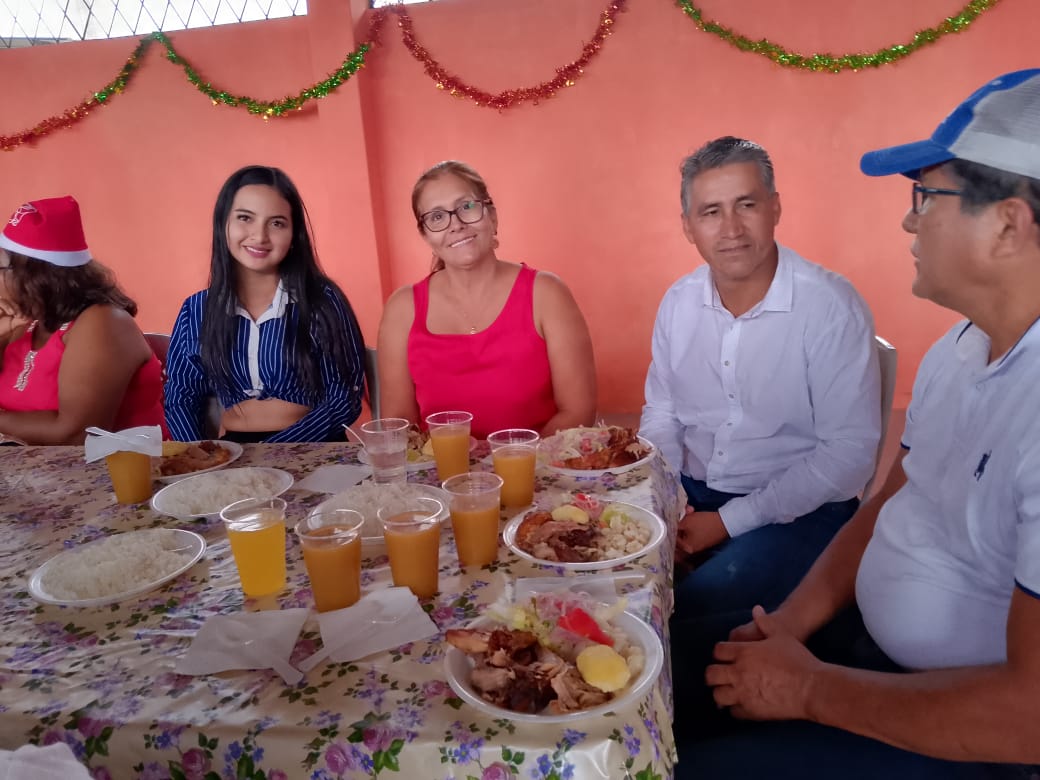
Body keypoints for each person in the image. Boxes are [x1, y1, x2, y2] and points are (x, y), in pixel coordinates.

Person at [677, 69, 1040, 779]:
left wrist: (808, 690)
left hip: (968, 733)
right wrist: (788, 628)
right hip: (861, 647)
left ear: (1008, 224)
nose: (910, 221)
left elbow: (1029, 718)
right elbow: (886, 505)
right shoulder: (959, 349)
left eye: (926, 196)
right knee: (642, 676)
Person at [640, 136, 881, 624]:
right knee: (608, 574)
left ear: (775, 208)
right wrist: (670, 504)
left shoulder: (829, 306)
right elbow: (662, 414)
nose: (731, 229)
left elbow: (848, 455)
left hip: (802, 509)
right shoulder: (679, 302)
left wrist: (726, 523)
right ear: (688, 226)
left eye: (746, 205)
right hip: (693, 497)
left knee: (684, 611)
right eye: (711, 212)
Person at [376, 160, 596, 440]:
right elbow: (398, 425)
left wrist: (509, 457)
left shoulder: (547, 293)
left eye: (467, 206)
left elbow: (578, 412)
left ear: (492, 216)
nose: (456, 225)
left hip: (538, 464)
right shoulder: (402, 309)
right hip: (438, 467)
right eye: (437, 217)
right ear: (425, 234)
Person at [164, 166, 365, 443]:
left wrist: (272, 451)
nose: (259, 236)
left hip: (313, 446)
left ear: (294, 235)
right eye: (245, 218)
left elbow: (345, 399)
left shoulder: (321, 301)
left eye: (277, 223)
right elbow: (181, 397)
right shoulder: (197, 309)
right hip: (235, 452)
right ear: (223, 224)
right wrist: (201, 457)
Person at [0, 196, 164, 445]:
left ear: (36, 277)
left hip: (119, 467)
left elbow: (76, 433)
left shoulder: (104, 323)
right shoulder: (24, 322)